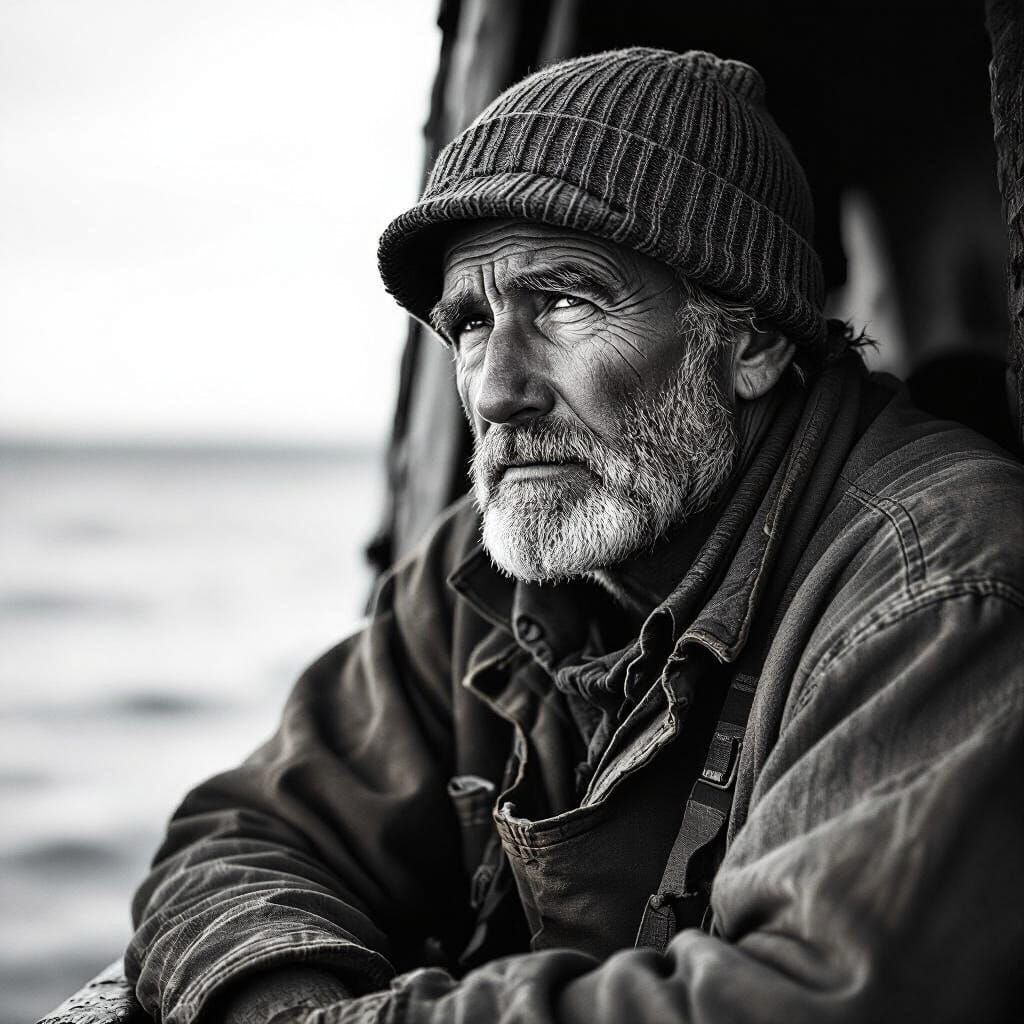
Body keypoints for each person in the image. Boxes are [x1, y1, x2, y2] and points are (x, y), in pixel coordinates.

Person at [126, 49, 1024, 1024]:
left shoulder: (937, 585)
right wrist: (285, 995)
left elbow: (810, 1001)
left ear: (753, 340)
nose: (498, 388)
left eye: (561, 300)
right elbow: (241, 836)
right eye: (470, 320)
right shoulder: (482, 566)